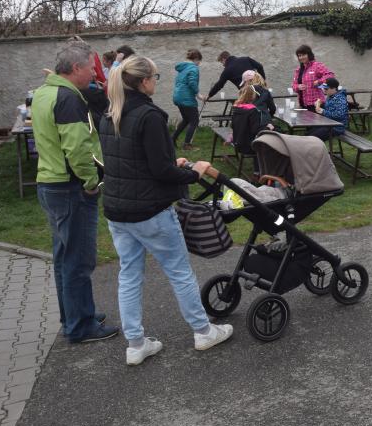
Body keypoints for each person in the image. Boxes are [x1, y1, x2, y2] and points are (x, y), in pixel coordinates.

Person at [99, 56, 233, 365]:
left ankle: (136, 344)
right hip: (150, 211)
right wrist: (194, 173)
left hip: (118, 210)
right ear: (144, 81)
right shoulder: (149, 115)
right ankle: (203, 331)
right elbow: (160, 171)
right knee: (179, 271)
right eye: (155, 77)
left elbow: (133, 161)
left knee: (129, 276)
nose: (156, 83)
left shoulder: (111, 113)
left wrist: (173, 164)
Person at [32, 41, 118, 344]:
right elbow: (77, 149)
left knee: (64, 257)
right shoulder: (68, 98)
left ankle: (74, 315)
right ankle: (81, 326)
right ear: (76, 68)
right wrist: (91, 182)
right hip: (70, 187)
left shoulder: (43, 93)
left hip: (49, 183)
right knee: (78, 261)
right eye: (90, 69)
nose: (94, 74)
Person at [172, 49, 203, 150]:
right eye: (199, 61)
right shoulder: (193, 68)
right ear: (196, 59)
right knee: (194, 120)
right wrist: (198, 94)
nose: (199, 64)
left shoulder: (183, 68)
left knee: (186, 120)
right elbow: (192, 82)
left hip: (178, 97)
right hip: (186, 98)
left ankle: (172, 139)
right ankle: (187, 145)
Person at [291, 45, 333, 110]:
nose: (301, 57)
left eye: (303, 55)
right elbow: (293, 86)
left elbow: (330, 75)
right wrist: (298, 87)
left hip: (317, 105)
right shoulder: (298, 70)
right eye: (299, 56)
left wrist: (319, 81)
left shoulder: (317, 65)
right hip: (303, 105)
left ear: (309, 54)